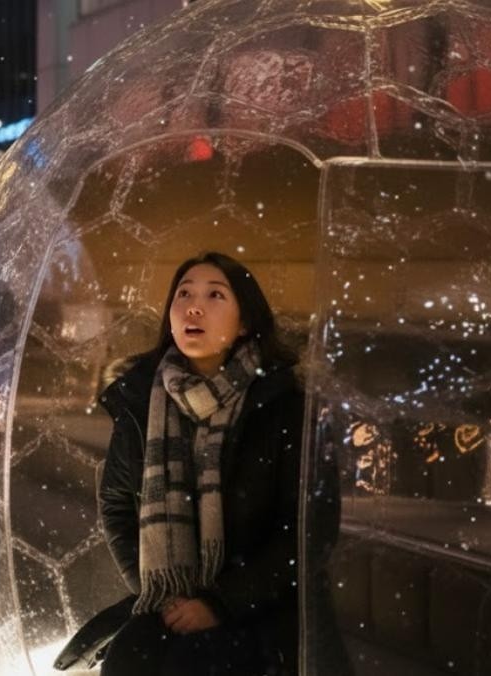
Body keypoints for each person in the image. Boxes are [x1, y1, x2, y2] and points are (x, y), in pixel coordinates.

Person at [96, 252, 334, 675]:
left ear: (244, 322)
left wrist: (220, 603)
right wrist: (161, 594)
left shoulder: (285, 406)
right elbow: (116, 504)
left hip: (261, 615)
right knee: (129, 657)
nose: (194, 306)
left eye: (215, 295)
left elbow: (309, 528)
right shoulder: (139, 402)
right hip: (165, 609)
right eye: (183, 293)